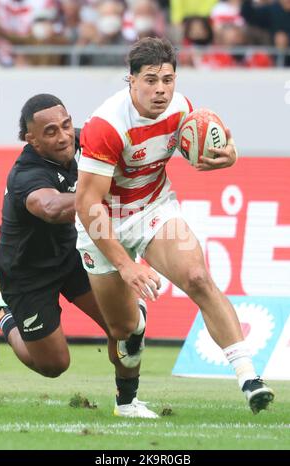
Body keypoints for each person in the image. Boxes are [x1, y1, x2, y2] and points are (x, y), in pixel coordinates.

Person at [75, 36, 274, 414]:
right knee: (123, 330)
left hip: (153, 208)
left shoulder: (182, 109)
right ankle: (126, 398)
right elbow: (87, 205)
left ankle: (249, 377)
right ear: (130, 80)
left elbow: (205, 147)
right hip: (102, 219)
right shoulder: (107, 125)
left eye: (168, 79)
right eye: (151, 79)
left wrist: (229, 155)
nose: (161, 89)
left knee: (198, 277)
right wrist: (126, 265)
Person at [0, 93, 157, 419]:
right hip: (26, 273)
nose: (63, 136)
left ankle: (126, 403)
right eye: (51, 131)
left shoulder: (87, 142)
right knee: (54, 365)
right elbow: (52, 208)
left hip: (72, 254)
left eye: (66, 125)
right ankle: (2, 314)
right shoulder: (26, 174)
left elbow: (133, 149)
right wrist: (98, 193)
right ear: (32, 140)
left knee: (124, 326)